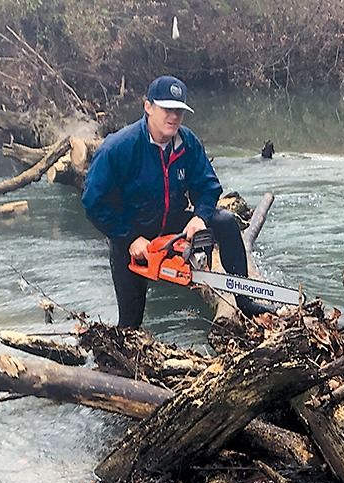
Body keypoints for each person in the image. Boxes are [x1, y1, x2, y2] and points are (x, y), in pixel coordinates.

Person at [82, 74, 256, 327]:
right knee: (130, 325)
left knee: (226, 222)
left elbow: (208, 186)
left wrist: (200, 216)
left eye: (179, 111)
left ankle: (245, 300)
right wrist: (129, 237)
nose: (173, 117)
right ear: (148, 107)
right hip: (131, 233)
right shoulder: (119, 147)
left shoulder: (187, 142)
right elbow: (93, 201)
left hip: (173, 222)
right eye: (167, 109)